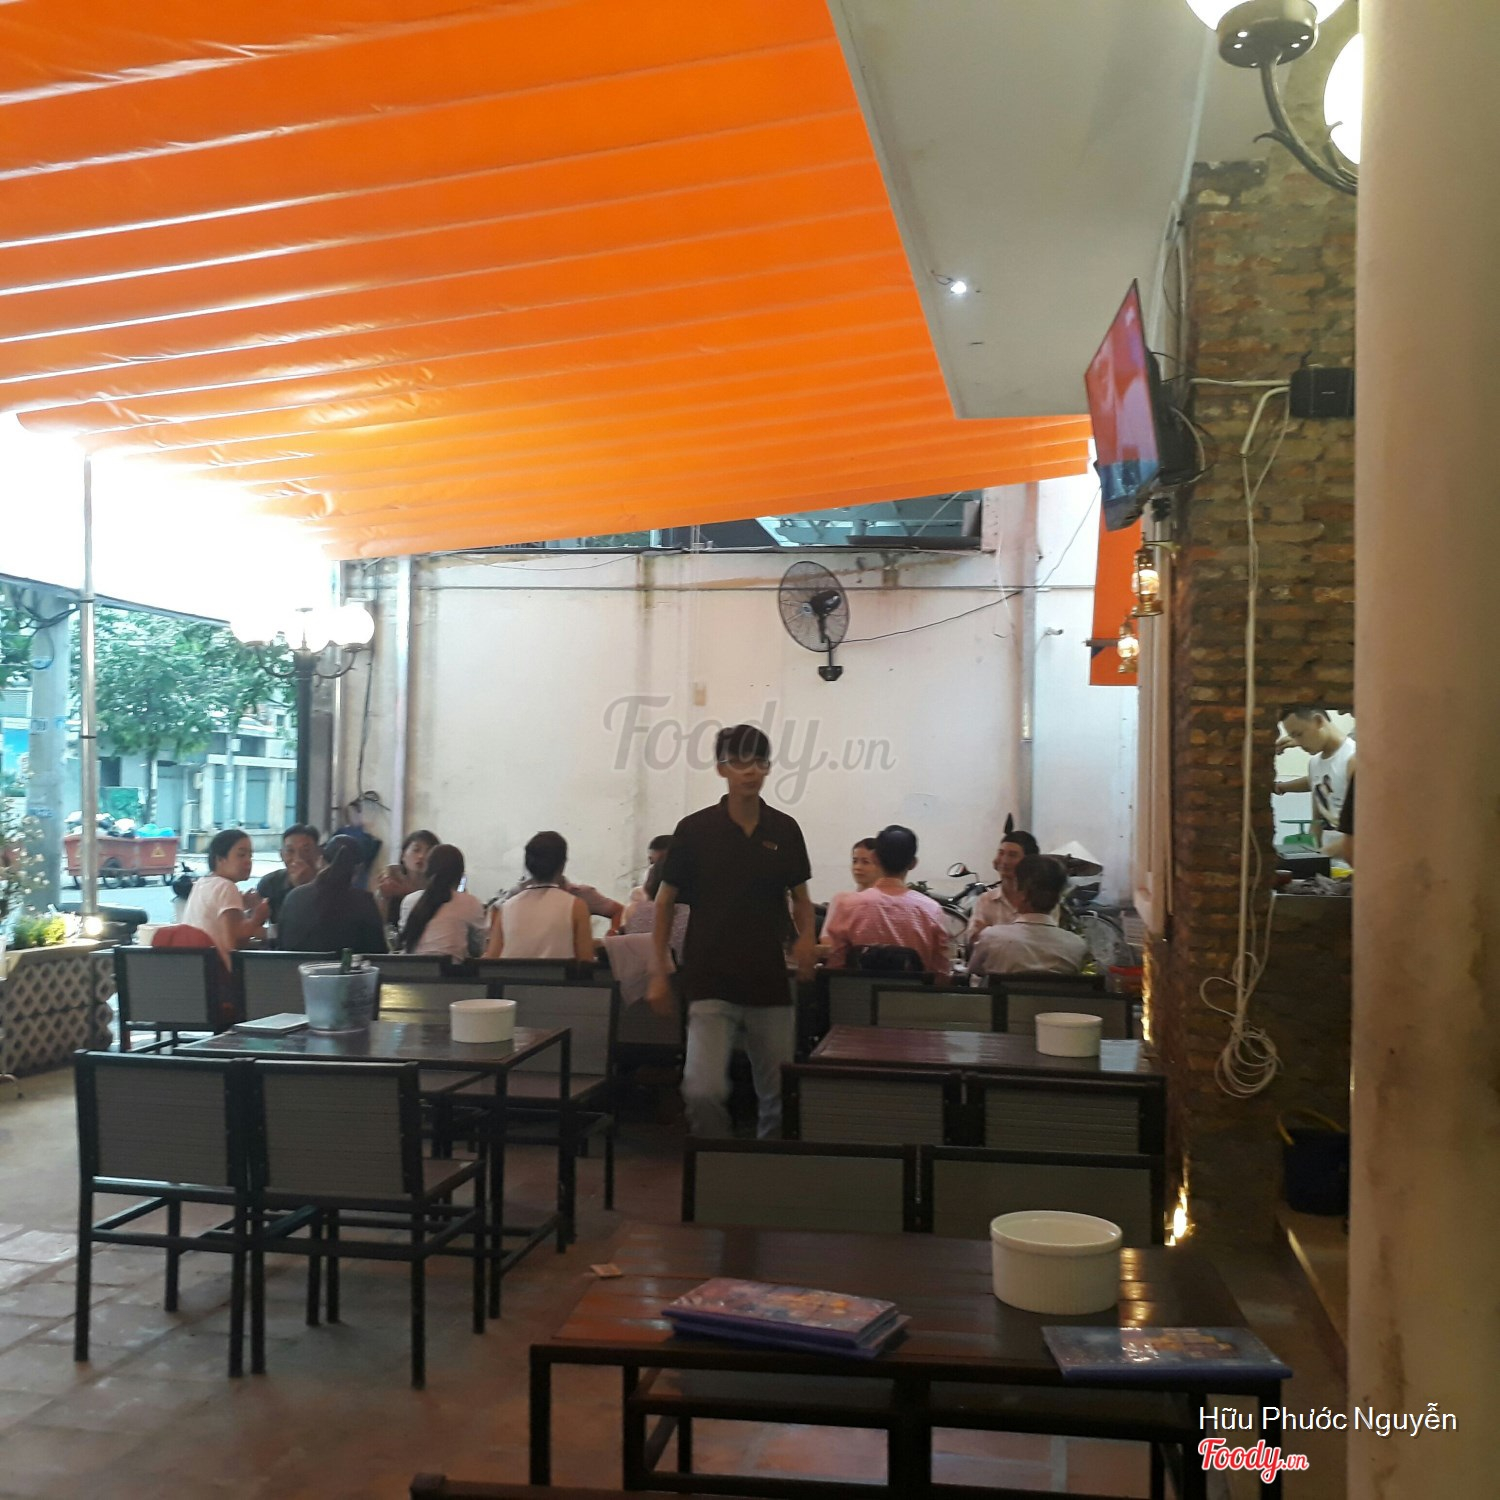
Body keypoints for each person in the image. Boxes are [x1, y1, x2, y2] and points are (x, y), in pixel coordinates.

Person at [648, 724, 816, 1139]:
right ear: (722, 768)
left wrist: (806, 939)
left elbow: (801, 898)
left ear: (768, 767)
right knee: (701, 1091)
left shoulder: (784, 829)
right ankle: (715, 1162)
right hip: (709, 979)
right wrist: (658, 972)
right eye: (739, 762)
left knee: (780, 1094)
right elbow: (664, 902)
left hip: (768, 980)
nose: (750, 771)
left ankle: (765, 1164)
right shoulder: (694, 830)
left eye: (758, 761)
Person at [821, 825, 951, 977]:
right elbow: (941, 974)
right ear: (913, 863)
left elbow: (835, 966)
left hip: (855, 992)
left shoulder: (847, 906)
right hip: (912, 992)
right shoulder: (932, 911)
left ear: (875, 858)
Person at [968, 855, 1088, 979]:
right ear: (1059, 896)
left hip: (1003, 992)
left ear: (1021, 893)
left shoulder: (991, 938)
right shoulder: (1077, 946)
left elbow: (974, 971)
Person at [485, 831, 594, 962]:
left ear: (527, 865)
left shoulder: (506, 909)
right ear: (562, 865)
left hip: (513, 976)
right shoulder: (576, 907)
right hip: (558, 975)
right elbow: (586, 962)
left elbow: (491, 962)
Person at [276, 835, 389, 955]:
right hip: (346, 967)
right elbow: (378, 955)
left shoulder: (293, 897)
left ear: (320, 861)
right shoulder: (364, 901)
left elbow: (282, 947)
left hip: (294, 967)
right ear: (359, 870)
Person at [182, 828, 269, 965]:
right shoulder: (226, 886)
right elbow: (234, 943)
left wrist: (243, 906)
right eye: (241, 855)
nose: (248, 861)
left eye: (250, 856)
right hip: (221, 971)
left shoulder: (201, 884)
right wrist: (258, 917)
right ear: (220, 859)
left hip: (197, 968)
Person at [1275, 706, 1356, 844]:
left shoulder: (1353, 757)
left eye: (1299, 734)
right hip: (1327, 851)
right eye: (1293, 737)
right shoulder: (1314, 763)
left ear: (1318, 721)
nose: (1297, 743)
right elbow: (1317, 820)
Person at [398, 843, 487, 959]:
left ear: (427, 871)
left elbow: (405, 942)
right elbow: (479, 948)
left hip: (413, 969)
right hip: (452, 970)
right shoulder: (471, 903)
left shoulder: (410, 901)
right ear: (460, 876)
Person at [965, 829, 1040, 947]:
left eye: (1012, 855)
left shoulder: (1042, 900)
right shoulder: (986, 900)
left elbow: (1043, 942)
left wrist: (989, 933)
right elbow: (974, 940)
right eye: (1001, 853)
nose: (1004, 861)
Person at [256, 823, 320, 929]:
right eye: (290, 851)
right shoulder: (270, 883)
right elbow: (255, 928)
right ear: (281, 854)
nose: (298, 858)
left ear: (318, 853)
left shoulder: (329, 883)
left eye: (306, 850)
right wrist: (253, 911)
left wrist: (302, 886)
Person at [375, 829, 440, 927]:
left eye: (428, 852)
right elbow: (378, 923)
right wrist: (384, 897)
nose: (421, 856)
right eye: (416, 850)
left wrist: (405, 891)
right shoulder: (391, 879)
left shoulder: (439, 886)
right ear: (403, 855)